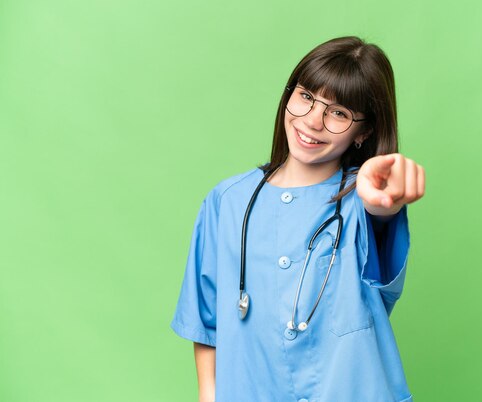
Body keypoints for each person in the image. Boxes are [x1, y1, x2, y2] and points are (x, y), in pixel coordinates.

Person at [171, 36, 426, 402]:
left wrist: (384, 202)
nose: (313, 121)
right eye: (306, 96)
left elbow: (382, 213)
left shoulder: (360, 202)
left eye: (339, 113)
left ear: (364, 132)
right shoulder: (227, 202)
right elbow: (207, 323)